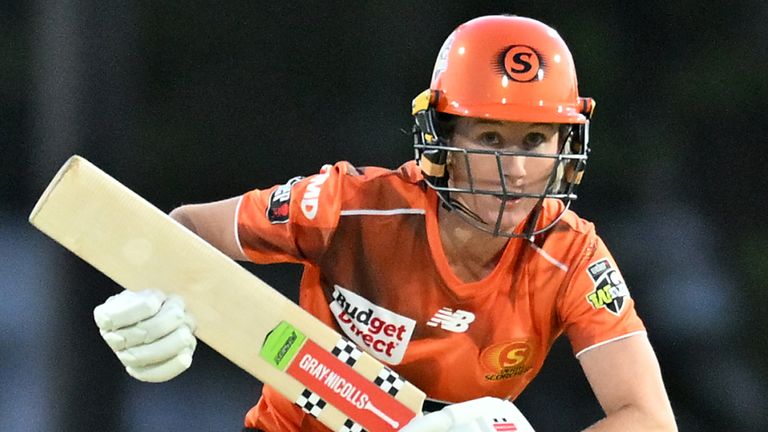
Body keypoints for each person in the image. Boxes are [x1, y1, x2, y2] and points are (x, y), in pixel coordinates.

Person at [92, 15, 677, 431]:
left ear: (565, 146)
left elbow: (649, 417)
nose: (516, 170)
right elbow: (186, 228)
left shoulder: (571, 256)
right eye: (491, 137)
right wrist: (153, 304)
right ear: (443, 139)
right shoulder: (349, 206)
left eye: (536, 139)